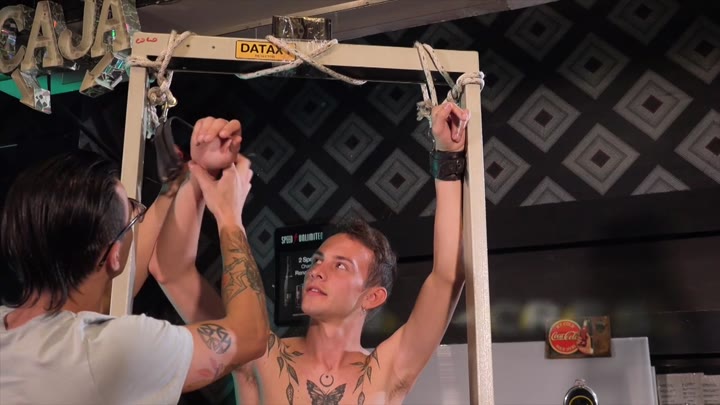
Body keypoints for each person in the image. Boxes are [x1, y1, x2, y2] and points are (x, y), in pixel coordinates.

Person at [152, 101, 471, 404]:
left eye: (341, 266)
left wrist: (447, 156)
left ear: (372, 296)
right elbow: (172, 272)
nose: (316, 271)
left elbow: (447, 277)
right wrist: (200, 174)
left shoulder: (387, 371)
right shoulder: (258, 353)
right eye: (318, 260)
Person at [0, 117, 270, 404]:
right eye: (132, 213)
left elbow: (105, 294)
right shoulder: (115, 350)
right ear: (113, 255)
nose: (137, 216)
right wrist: (229, 214)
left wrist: (178, 184)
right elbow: (250, 336)